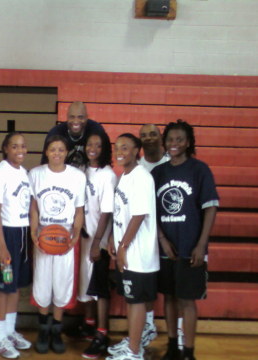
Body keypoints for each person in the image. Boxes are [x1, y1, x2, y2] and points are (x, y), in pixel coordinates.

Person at [152, 120, 219, 360]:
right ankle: (172, 347)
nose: (174, 144)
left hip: (191, 247)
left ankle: (189, 352)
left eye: (179, 139)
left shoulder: (199, 170)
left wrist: (201, 244)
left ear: (188, 142)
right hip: (165, 248)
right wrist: (161, 239)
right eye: (170, 139)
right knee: (169, 298)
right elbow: (150, 211)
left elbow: (210, 208)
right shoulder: (158, 173)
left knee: (187, 301)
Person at [29, 135, 86, 354]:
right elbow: (34, 207)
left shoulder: (77, 176)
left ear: (67, 152)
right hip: (43, 235)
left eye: (61, 150)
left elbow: (79, 210)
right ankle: (43, 329)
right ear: (46, 152)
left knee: (61, 285)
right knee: (43, 285)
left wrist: (76, 234)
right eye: (53, 149)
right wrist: (34, 232)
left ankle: (56, 330)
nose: (57, 153)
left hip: (66, 237)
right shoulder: (36, 174)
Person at [107, 133, 159, 360]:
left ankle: (134, 352)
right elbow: (122, 213)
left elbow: (138, 216)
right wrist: (113, 238)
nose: (119, 151)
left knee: (136, 301)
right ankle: (135, 340)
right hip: (127, 249)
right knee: (132, 300)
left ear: (137, 150)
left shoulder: (141, 177)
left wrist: (123, 247)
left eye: (125, 147)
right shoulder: (125, 176)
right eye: (117, 147)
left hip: (138, 253)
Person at [0, 132, 32, 359]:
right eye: (15, 146)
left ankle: (10, 331)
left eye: (23, 146)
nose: (20, 150)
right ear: (5, 148)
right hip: (6, 236)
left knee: (15, 286)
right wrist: (1, 245)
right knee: (4, 287)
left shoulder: (24, 173)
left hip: (23, 235)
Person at [78, 132, 117, 359]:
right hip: (84, 237)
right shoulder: (83, 170)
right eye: (90, 144)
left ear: (105, 150)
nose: (93, 148)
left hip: (98, 240)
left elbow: (106, 211)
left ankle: (102, 335)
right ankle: (89, 325)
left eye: (98, 145)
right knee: (87, 285)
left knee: (100, 289)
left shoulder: (108, 175)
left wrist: (97, 243)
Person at [138, 124, 171, 348]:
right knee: (146, 286)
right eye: (144, 135)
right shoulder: (137, 167)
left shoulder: (173, 163)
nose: (148, 138)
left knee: (172, 287)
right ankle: (148, 326)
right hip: (144, 234)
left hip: (172, 232)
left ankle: (175, 335)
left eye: (152, 134)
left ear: (161, 137)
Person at [40, 101, 110, 169]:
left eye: (80, 117)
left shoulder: (96, 130)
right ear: (67, 117)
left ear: (87, 117)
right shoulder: (56, 133)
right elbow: (46, 163)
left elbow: (105, 159)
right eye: (72, 117)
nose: (76, 121)